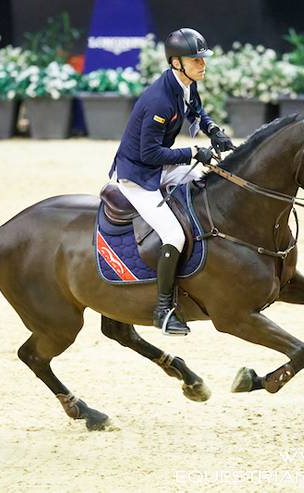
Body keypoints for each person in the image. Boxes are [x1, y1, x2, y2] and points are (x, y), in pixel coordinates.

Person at [108, 28, 236, 335]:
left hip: (160, 166)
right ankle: (163, 310)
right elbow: (150, 154)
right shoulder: (159, 101)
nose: (202, 65)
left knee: (210, 181)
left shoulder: (186, 84)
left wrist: (213, 129)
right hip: (139, 176)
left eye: (202, 59)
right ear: (176, 62)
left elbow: (197, 109)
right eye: (196, 60)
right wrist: (194, 151)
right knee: (173, 234)